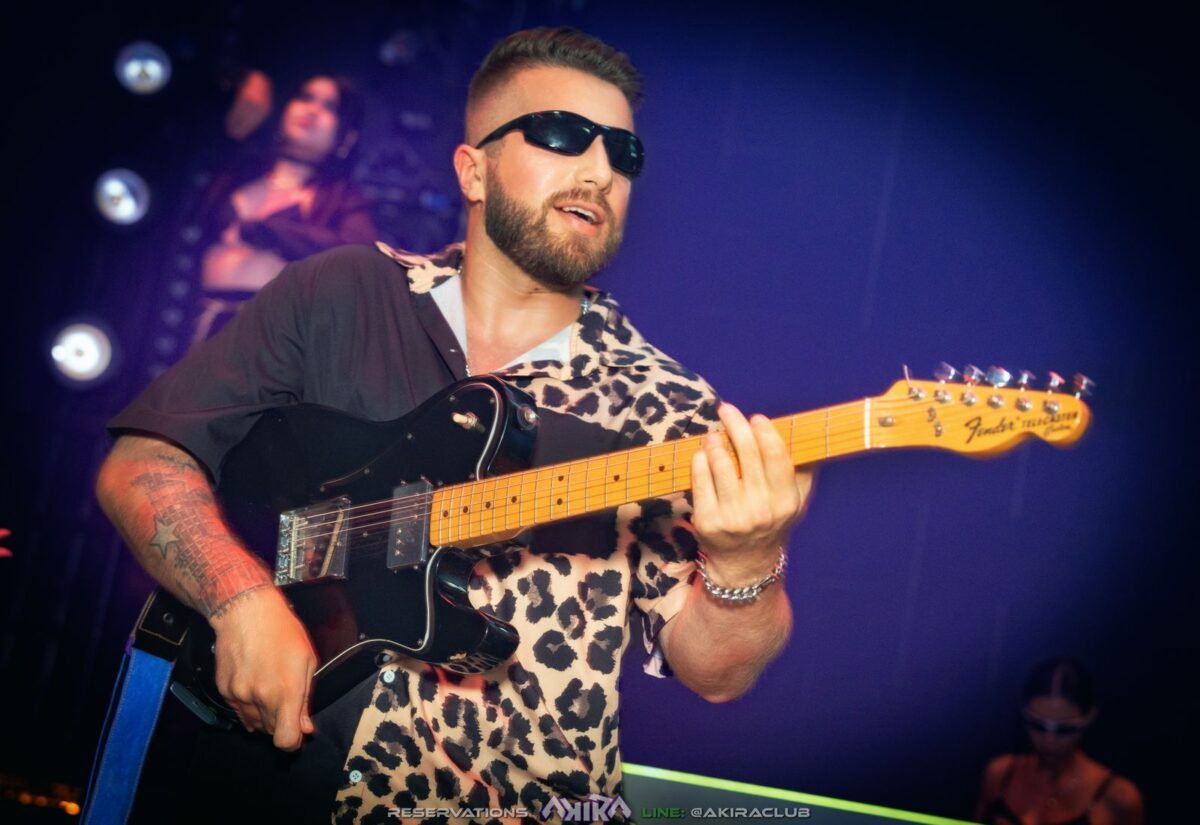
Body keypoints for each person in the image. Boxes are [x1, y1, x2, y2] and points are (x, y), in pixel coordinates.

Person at [96, 27, 812, 823]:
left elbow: (717, 671)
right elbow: (144, 462)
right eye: (561, 135)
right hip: (242, 780)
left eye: (624, 153)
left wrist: (747, 561)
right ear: (473, 170)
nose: (600, 171)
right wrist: (241, 599)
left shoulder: (668, 405)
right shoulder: (343, 292)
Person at [191, 73, 378, 344]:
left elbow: (361, 256)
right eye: (305, 97)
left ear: (346, 137)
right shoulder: (237, 173)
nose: (312, 110)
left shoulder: (340, 198)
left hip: (267, 335)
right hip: (195, 322)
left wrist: (268, 231)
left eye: (329, 106)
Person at [976, 658, 1144, 825]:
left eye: (1065, 729)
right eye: (1039, 725)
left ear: (1089, 718)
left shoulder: (1119, 798)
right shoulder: (1000, 774)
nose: (1049, 740)